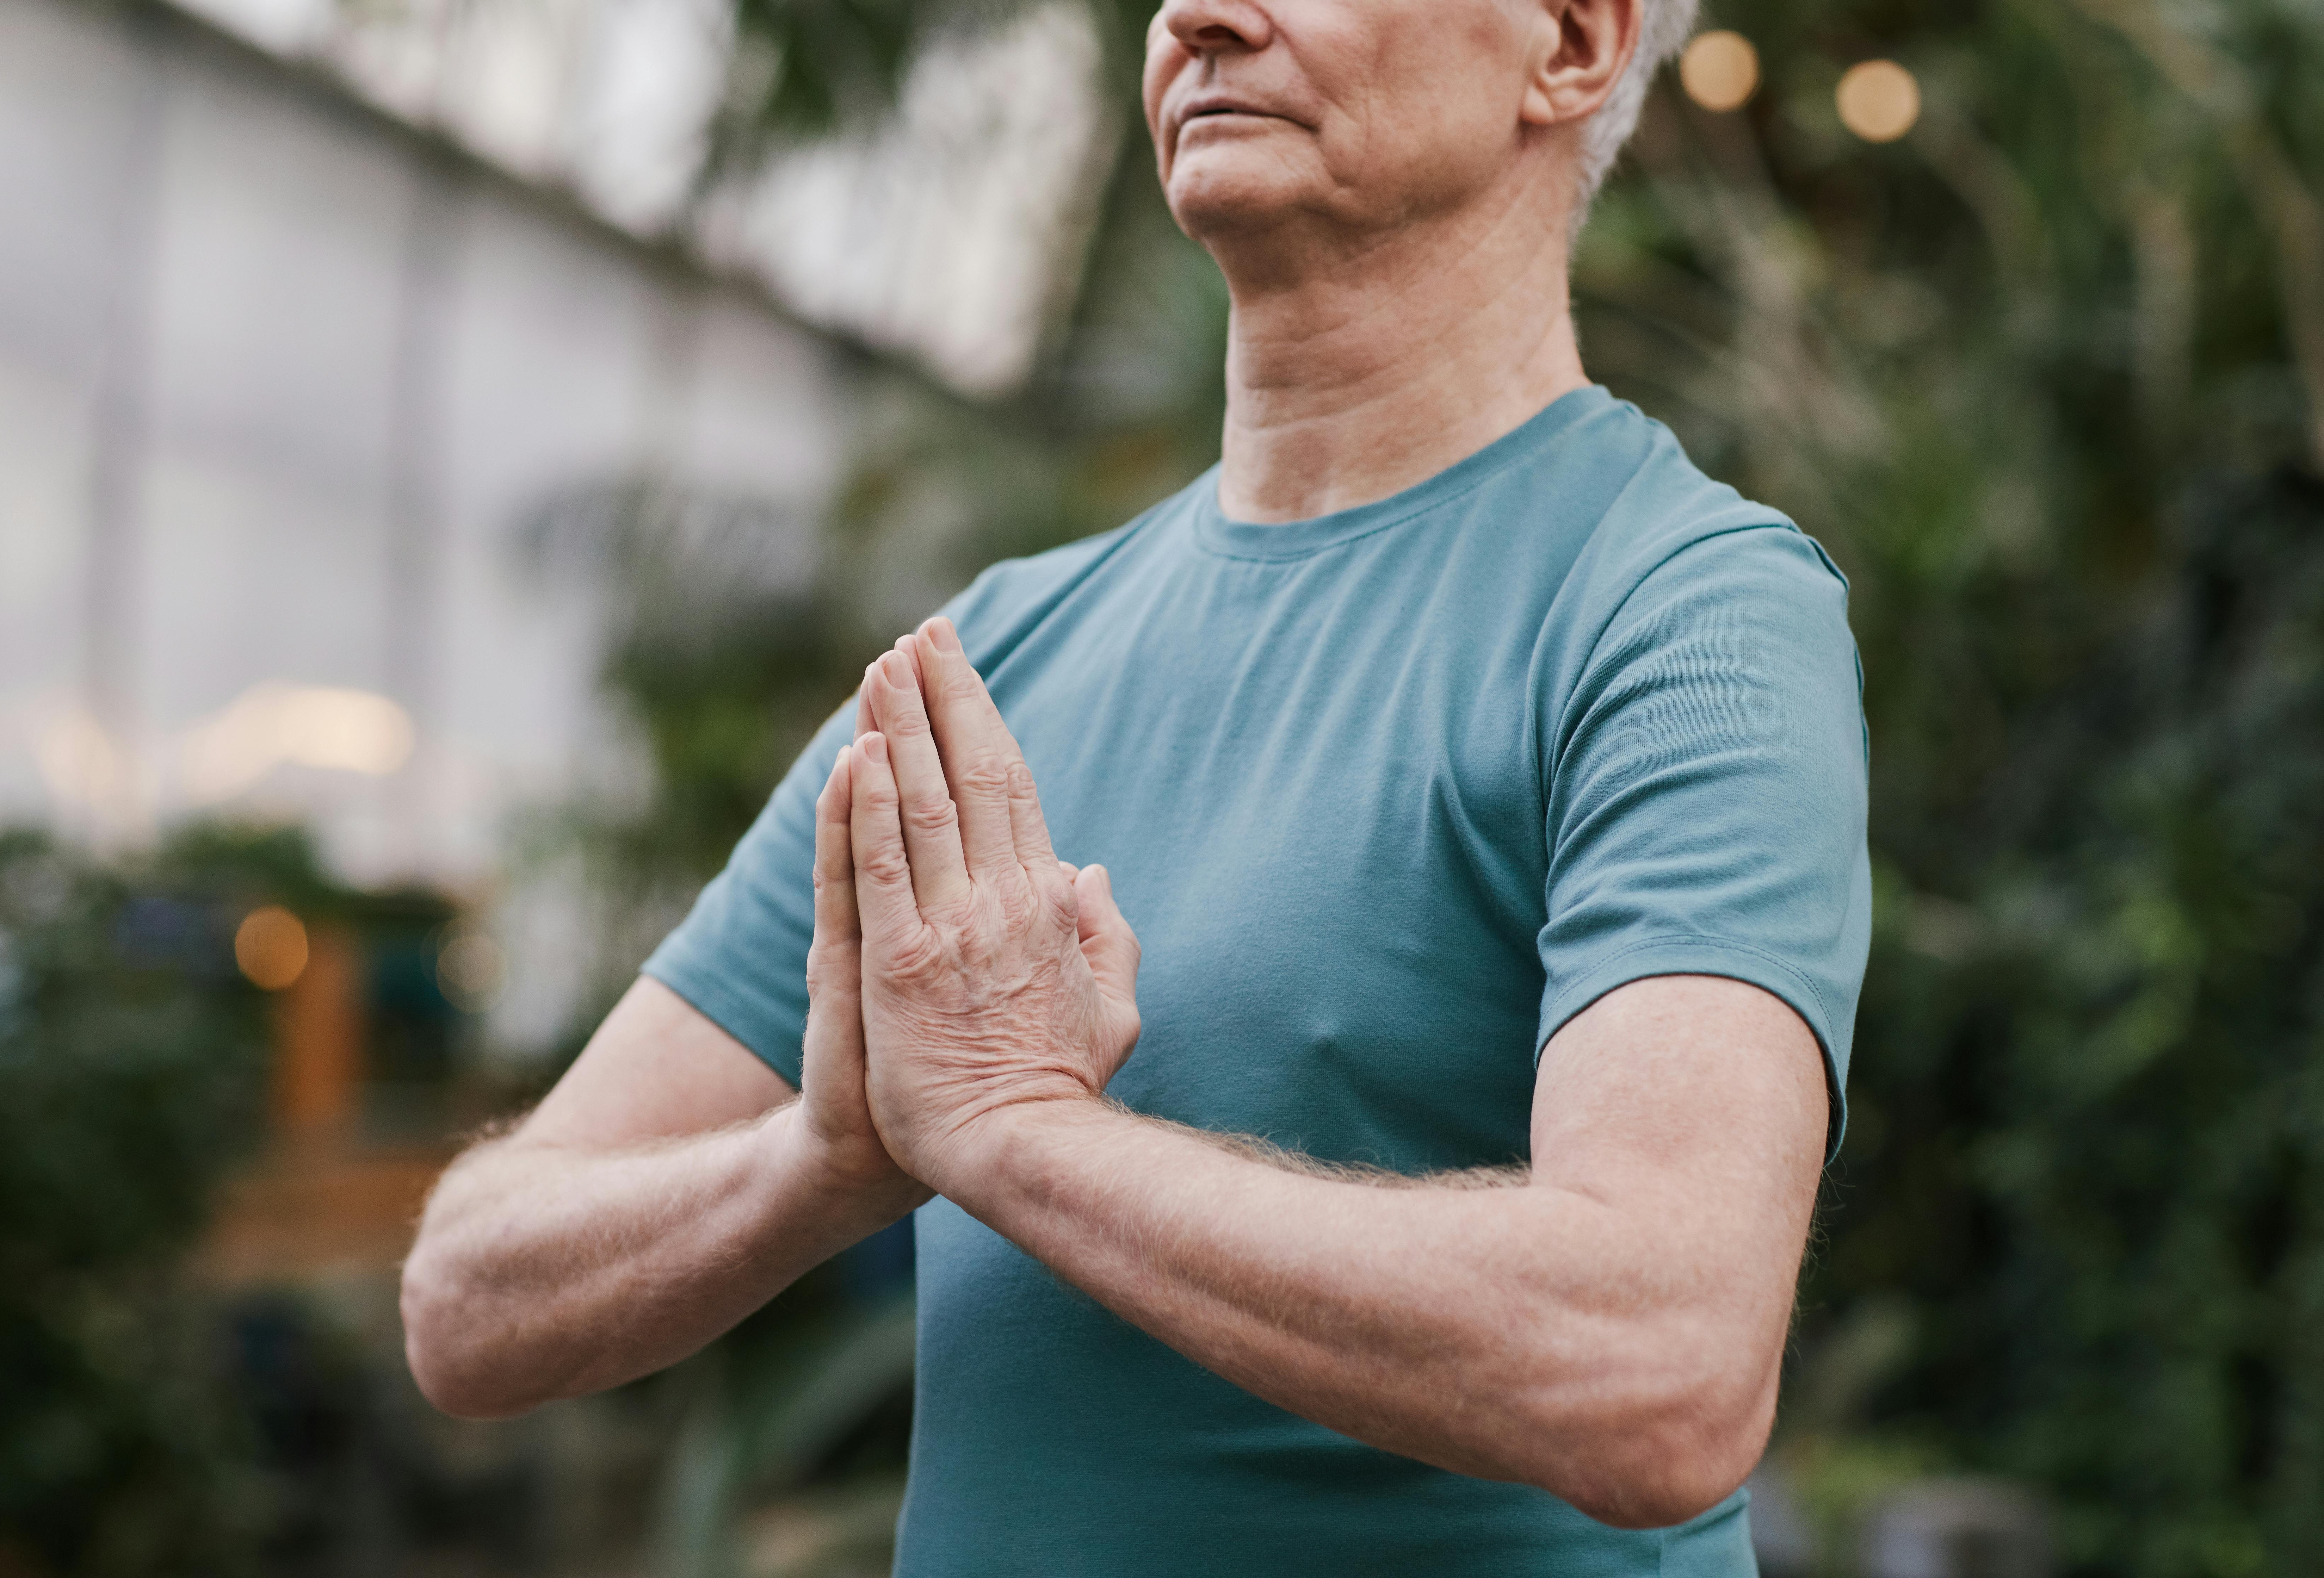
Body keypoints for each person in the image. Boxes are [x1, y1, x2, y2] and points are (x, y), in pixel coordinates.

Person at [400, 0, 1872, 1570]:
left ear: (1573, 41)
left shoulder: (1681, 606)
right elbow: (469, 1301)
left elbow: (1657, 1371)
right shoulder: (991, 660)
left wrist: (1016, 1134)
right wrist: (822, 1164)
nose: (1196, 16)